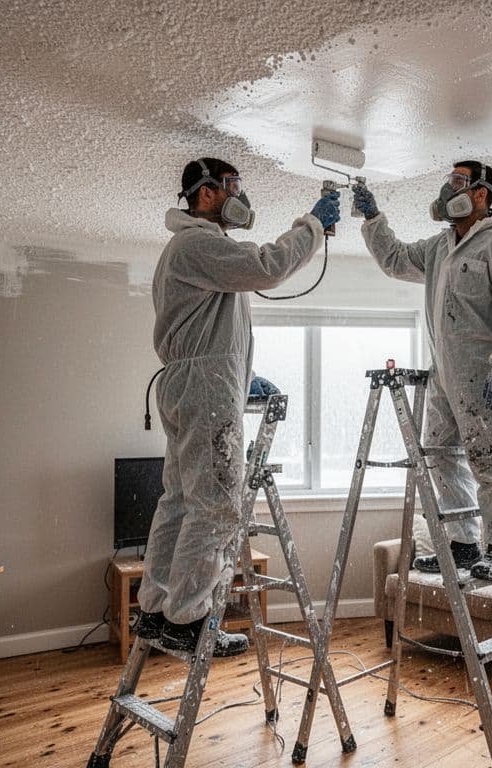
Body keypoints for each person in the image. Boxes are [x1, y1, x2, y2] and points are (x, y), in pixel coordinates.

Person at [137, 158, 341, 655]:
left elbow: (211, 327)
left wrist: (245, 378)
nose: (239, 196)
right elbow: (267, 267)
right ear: (206, 193)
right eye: (232, 187)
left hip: (191, 380)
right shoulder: (198, 242)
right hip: (206, 386)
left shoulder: (187, 248)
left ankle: (155, 609)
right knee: (218, 506)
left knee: (181, 498)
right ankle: (187, 621)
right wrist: (311, 225)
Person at [353, 162, 492, 581]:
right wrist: (372, 217)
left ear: (481, 195)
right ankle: (464, 543)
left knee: (490, 459)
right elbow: (395, 259)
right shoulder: (439, 248)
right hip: (443, 375)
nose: (448, 188)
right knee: (438, 455)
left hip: (483, 373)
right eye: (449, 181)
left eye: (458, 183)